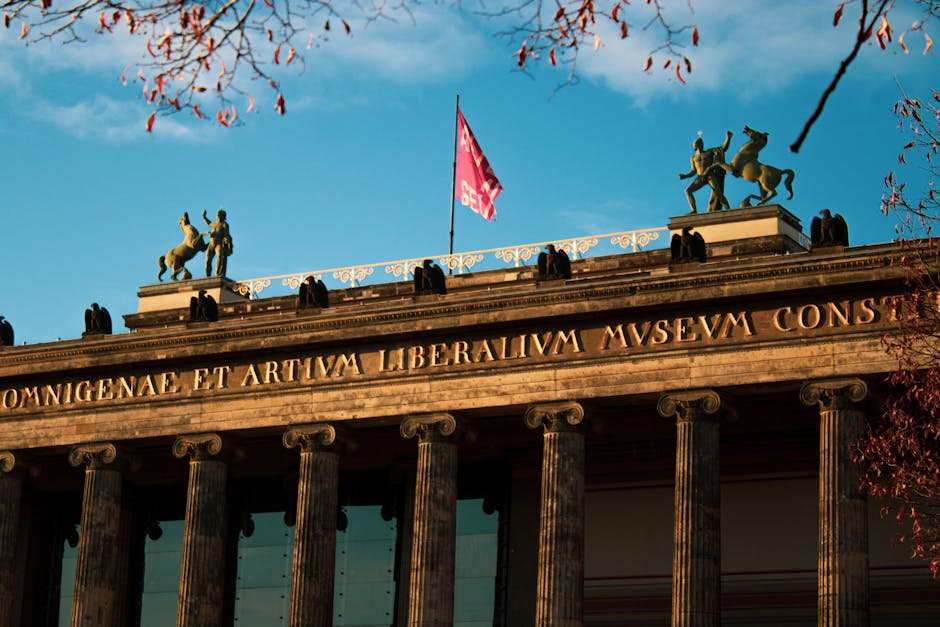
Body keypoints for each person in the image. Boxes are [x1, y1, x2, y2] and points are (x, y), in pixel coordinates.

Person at [678, 131, 732, 213]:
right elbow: (693, 171)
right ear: (695, 145)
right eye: (698, 143)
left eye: (701, 143)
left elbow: (723, 148)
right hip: (700, 176)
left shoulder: (709, 152)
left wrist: (728, 137)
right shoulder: (693, 158)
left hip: (710, 175)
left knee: (719, 193)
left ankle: (728, 209)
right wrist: (684, 176)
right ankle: (694, 210)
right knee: (688, 191)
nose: (700, 144)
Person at [203, 209, 233, 277]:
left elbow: (226, 234)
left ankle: (217, 273)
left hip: (218, 244)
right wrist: (204, 216)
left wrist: (227, 241)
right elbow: (208, 222)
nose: (218, 217)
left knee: (219, 255)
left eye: (220, 215)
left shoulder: (225, 224)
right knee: (207, 261)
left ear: (223, 217)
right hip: (211, 244)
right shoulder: (214, 224)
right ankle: (208, 276)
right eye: (218, 215)